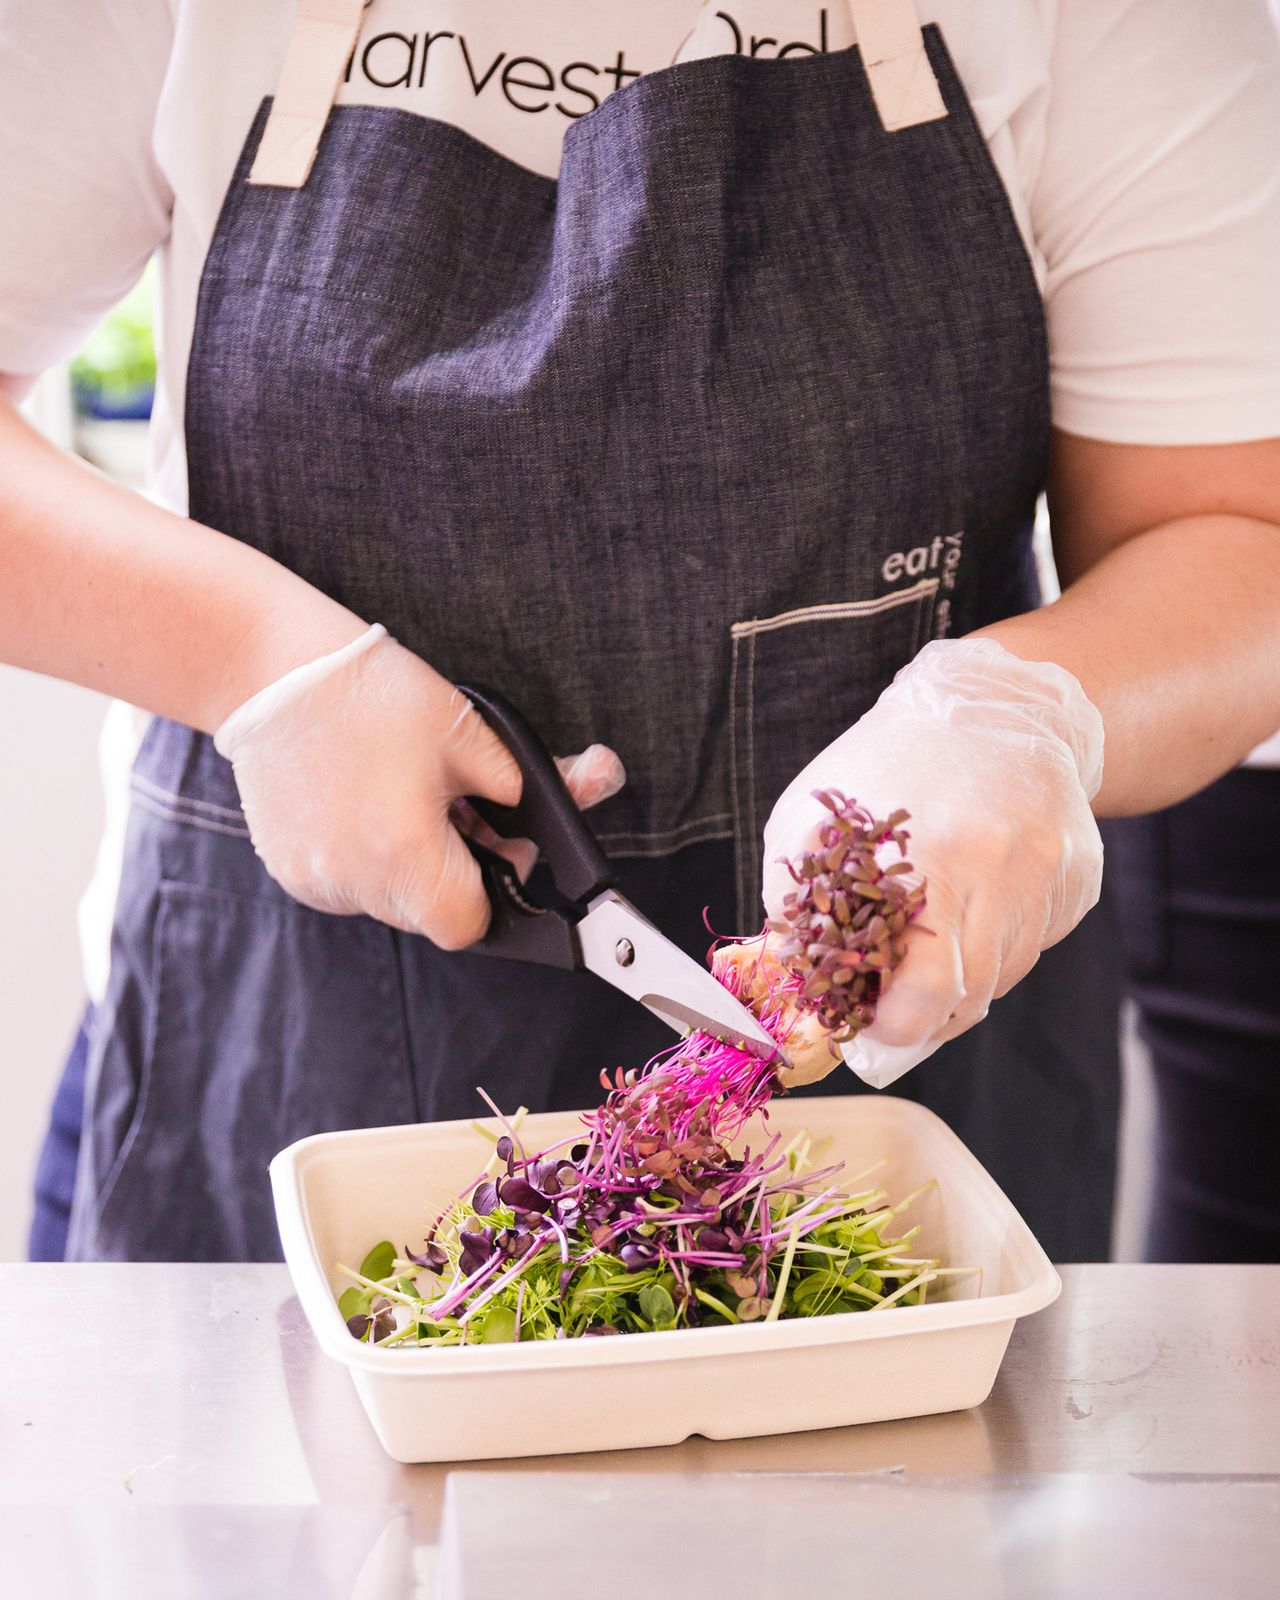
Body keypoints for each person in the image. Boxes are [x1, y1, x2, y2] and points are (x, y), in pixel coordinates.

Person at [3, 0, 1278, 1266]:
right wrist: (256, 663)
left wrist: (1027, 708)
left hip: (921, 1095)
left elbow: (1235, 537)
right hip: (270, 1051)